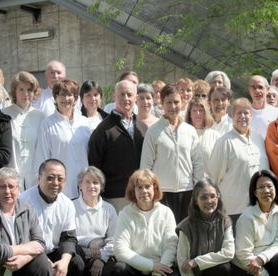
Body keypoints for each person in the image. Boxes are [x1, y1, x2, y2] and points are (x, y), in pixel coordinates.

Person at [112, 169, 180, 276]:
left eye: (148, 186)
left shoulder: (166, 213)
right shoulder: (125, 213)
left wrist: (156, 275)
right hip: (135, 267)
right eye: (139, 187)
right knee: (119, 269)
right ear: (133, 191)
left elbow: (171, 246)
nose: (144, 191)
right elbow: (120, 249)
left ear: (155, 188)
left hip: (160, 268)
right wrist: (150, 265)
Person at [20, 159, 84, 276]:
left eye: (60, 179)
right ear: (39, 177)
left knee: (76, 263)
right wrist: (44, 259)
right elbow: (23, 239)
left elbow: (69, 238)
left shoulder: (67, 204)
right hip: (31, 253)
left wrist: (64, 262)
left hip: (53, 250)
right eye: (50, 177)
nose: (55, 183)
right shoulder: (23, 201)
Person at [141, 86, 204, 223]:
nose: (172, 106)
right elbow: (146, 167)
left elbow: (197, 163)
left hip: (187, 191)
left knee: (185, 235)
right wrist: (150, 193)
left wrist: (197, 191)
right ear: (162, 103)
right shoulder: (153, 132)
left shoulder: (190, 131)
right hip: (162, 194)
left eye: (176, 102)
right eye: (168, 102)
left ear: (182, 102)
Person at [176, 179, 237, 276]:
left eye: (213, 196)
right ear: (196, 201)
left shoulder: (225, 221)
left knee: (225, 268)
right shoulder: (185, 226)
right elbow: (182, 261)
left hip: (209, 267)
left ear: (218, 197)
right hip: (191, 271)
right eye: (203, 197)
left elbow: (229, 253)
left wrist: (197, 261)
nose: (209, 201)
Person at [88, 80, 147, 211]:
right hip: (114, 197)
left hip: (141, 194)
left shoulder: (143, 127)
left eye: (129, 94)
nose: (126, 98)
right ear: (114, 96)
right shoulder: (103, 130)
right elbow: (94, 165)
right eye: (121, 94)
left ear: (136, 98)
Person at [209, 99, 266, 222]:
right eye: (238, 113)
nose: (242, 117)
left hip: (257, 205)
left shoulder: (258, 139)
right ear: (232, 116)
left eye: (246, 113)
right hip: (233, 209)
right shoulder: (224, 142)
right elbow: (215, 175)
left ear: (251, 116)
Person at [33, 79, 91, 199]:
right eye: (62, 94)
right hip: (61, 189)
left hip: (84, 188)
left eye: (69, 94)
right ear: (55, 97)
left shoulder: (85, 123)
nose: (66, 98)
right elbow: (42, 157)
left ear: (75, 98)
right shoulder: (48, 124)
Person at [73, 166, 118, 276]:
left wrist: (101, 259)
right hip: (80, 255)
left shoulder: (109, 209)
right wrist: (90, 241)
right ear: (80, 185)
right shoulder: (70, 207)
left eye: (95, 182)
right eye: (87, 182)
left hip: (101, 255)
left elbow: (114, 239)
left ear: (101, 187)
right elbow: (67, 237)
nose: (91, 186)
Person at [3, 72, 46, 189]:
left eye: (29, 90)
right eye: (21, 89)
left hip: (35, 177)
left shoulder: (41, 117)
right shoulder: (4, 115)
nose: (25, 94)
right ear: (14, 92)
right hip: (11, 176)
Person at [186, 96, 221, 161]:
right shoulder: (183, 134)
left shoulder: (215, 136)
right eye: (194, 111)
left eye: (201, 110)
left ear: (205, 113)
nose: (197, 113)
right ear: (189, 114)